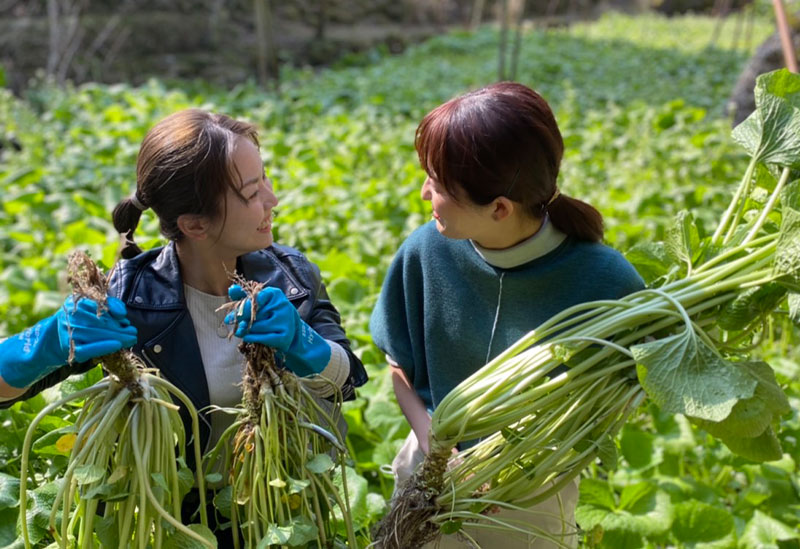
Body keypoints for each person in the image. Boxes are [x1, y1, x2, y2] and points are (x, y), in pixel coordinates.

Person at [0, 108, 368, 546]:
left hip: (276, 515)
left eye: (265, 178)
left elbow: (345, 381)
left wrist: (305, 343)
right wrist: (45, 343)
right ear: (195, 224)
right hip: (166, 521)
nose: (272, 199)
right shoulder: (127, 295)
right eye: (252, 193)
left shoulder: (292, 278)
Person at [369, 82, 645, 548]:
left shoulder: (603, 280)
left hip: (531, 503)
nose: (423, 194)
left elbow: (623, 392)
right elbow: (399, 368)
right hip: (428, 471)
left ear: (499, 208)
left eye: (437, 186)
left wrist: (521, 464)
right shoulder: (425, 251)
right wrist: (441, 453)